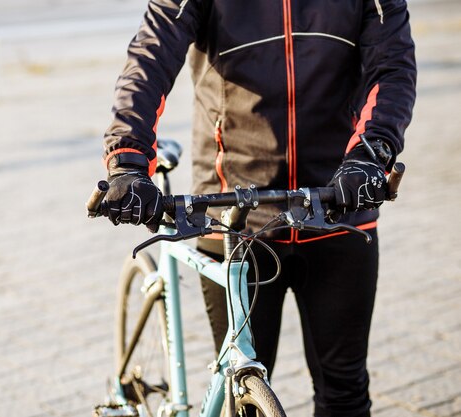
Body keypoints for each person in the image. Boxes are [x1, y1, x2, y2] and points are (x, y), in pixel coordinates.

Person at [99, 0, 416, 416]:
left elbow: (390, 67)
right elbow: (151, 56)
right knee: (242, 394)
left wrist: (370, 155)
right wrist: (128, 158)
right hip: (233, 216)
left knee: (346, 392)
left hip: (337, 208)